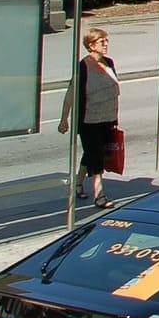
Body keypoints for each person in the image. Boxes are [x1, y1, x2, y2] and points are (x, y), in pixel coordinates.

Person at [58, 28, 120, 209]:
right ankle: (99, 195)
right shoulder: (83, 67)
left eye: (106, 40)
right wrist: (64, 119)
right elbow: (71, 93)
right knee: (96, 156)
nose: (106, 44)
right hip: (89, 120)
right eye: (102, 42)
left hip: (108, 118)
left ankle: (77, 184)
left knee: (91, 153)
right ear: (91, 45)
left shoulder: (109, 63)